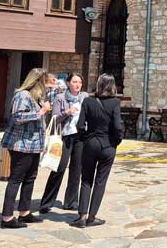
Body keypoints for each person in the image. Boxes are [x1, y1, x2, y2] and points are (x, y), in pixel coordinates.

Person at [0, 68, 54, 228]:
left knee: (30, 178)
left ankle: (24, 212)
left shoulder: (36, 97)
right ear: (37, 82)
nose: (46, 87)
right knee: (16, 179)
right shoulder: (22, 95)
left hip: (33, 146)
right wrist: (41, 112)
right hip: (21, 145)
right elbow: (17, 117)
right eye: (45, 83)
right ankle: (7, 217)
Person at [71, 73, 123, 228]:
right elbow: (118, 127)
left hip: (90, 144)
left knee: (86, 180)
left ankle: (82, 216)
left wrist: (85, 138)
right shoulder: (115, 102)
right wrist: (115, 143)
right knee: (100, 181)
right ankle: (92, 217)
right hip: (107, 145)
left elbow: (80, 125)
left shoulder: (88, 101)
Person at [39, 72, 89, 213]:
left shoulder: (84, 97)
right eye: (74, 81)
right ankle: (46, 203)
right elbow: (54, 118)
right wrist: (67, 112)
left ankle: (71, 202)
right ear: (68, 83)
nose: (77, 84)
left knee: (76, 170)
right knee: (59, 168)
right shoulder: (60, 98)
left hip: (80, 136)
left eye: (79, 82)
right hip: (64, 137)